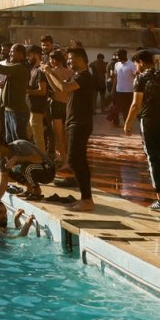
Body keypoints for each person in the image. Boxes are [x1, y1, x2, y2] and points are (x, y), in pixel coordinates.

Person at [125, 51, 160, 213]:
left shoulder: (141, 78)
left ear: (141, 62)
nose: (136, 67)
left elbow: (136, 104)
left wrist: (128, 122)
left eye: (136, 63)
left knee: (154, 159)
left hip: (150, 122)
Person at [48, 46, 97, 212]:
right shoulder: (77, 76)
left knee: (77, 160)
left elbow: (64, 87)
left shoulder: (84, 76)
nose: (68, 61)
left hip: (80, 123)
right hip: (73, 122)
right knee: (77, 160)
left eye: (70, 58)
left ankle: (87, 200)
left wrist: (49, 72)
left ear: (80, 59)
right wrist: (48, 74)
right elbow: (58, 88)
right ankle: (85, 198)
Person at [0, 134, 56, 202]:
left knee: (25, 167)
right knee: (5, 169)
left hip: (48, 170)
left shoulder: (20, 145)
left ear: (1, 147)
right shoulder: (2, 160)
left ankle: (36, 191)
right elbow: (3, 182)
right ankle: (29, 188)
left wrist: (17, 158)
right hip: (32, 169)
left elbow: (39, 159)